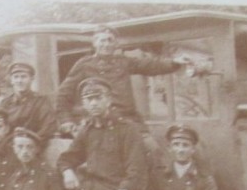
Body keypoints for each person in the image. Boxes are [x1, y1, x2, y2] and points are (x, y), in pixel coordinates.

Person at [55, 24, 192, 128]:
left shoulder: (124, 61)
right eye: (102, 41)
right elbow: (63, 94)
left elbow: (150, 65)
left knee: (152, 150)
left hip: (127, 120)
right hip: (99, 122)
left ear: (116, 43)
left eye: (110, 40)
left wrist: (173, 62)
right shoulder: (84, 64)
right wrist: (66, 121)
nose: (106, 44)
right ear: (94, 43)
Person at [0, 62, 57, 142]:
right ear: (11, 81)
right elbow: (0, 128)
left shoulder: (41, 101)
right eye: (16, 77)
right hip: (9, 146)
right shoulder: (5, 103)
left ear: (31, 79)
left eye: (24, 77)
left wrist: (30, 139)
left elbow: (49, 127)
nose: (19, 81)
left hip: (33, 146)